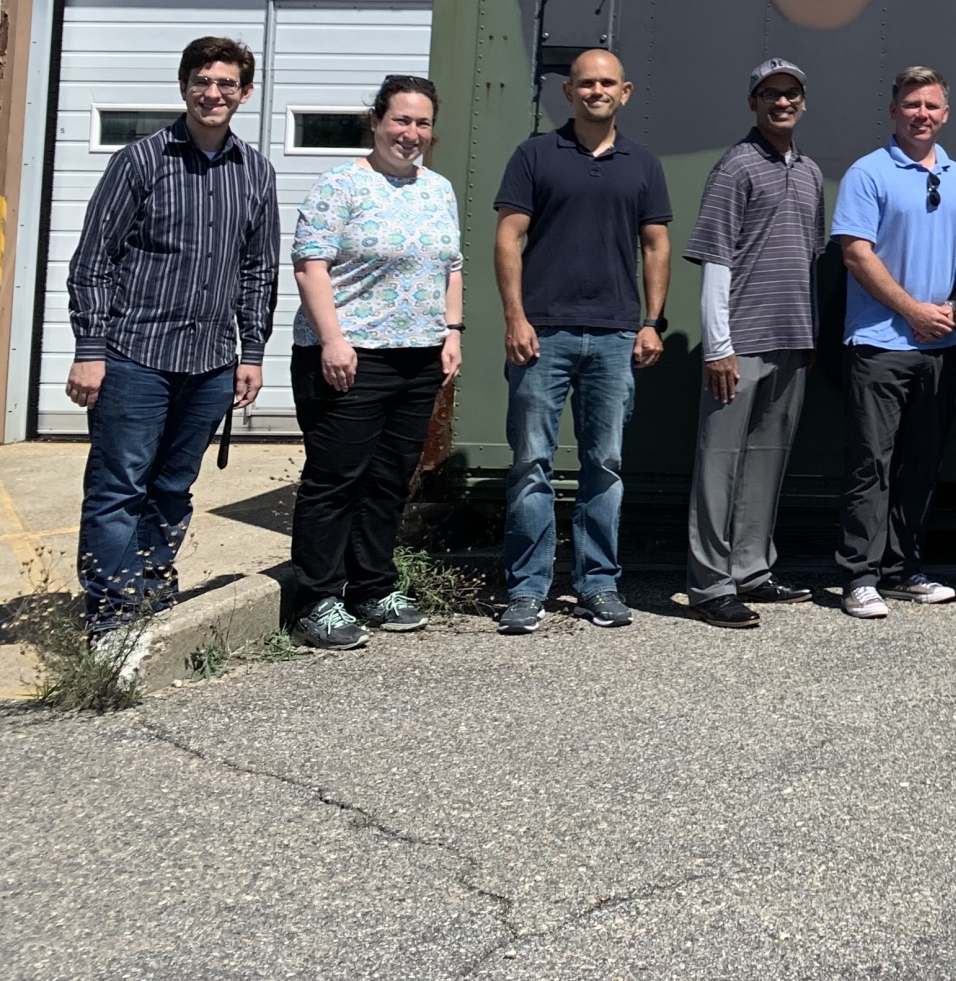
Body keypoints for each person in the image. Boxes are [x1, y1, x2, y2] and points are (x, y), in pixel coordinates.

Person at [67, 36, 279, 649]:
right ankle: (111, 613)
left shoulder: (256, 172)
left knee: (171, 486)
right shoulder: (140, 161)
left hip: (212, 362)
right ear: (184, 85)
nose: (213, 94)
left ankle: (153, 591)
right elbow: (93, 262)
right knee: (119, 487)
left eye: (226, 84)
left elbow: (257, 272)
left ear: (245, 93)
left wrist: (252, 354)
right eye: (203, 81)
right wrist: (90, 348)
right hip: (136, 355)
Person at [492, 49, 672, 636]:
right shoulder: (535, 155)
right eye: (586, 83)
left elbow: (656, 246)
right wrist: (515, 318)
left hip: (618, 336)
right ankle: (526, 590)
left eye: (607, 83)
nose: (596, 91)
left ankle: (599, 585)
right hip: (543, 335)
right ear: (568, 93)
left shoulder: (643, 164)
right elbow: (508, 239)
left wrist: (651, 321)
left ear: (627, 92)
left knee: (605, 465)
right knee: (530, 465)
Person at [286, 75, 466, 651]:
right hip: (349, 356)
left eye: (422, 123)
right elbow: (311, 266)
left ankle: (373, 586)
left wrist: (452, 330)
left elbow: (451, 266)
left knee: (389, 480)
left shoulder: (437, 189)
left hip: (418, 358)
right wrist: (333, 339)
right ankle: (317, 598)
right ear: (376, 121)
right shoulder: (340, 186)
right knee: (335, 480)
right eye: (401, 120)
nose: (411, 134)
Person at [831, 66, 956, 619]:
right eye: (912, 104)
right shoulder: (867, 174)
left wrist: (953, 309)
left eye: (933, 106)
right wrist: (912, 310)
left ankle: (902, 569)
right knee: (871, 462)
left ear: (945, 114)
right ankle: (858, 576)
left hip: (942, 346)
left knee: (922, 464)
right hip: (879, 345)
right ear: (894, 110)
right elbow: (855, 254)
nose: (923, 113)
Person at [680, 59, 825, 628]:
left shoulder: (810, 171)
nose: (781, 102)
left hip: (792, 341)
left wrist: (808, 332)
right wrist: (718, 345)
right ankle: (711, 584)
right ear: (753, 103)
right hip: (740, 344)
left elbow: (807, 260)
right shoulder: (735, 167)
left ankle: (752, 570)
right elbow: (716, 259)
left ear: (803, 102)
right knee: (719, 464)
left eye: (791, 93)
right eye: (770, 94)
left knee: (767, 462)